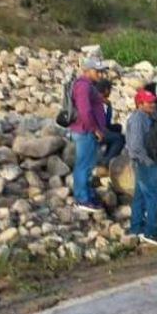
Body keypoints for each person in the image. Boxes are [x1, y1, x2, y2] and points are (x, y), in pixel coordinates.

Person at [67, 56, 110, 214]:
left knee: (87, 164)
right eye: (97, 71)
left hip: (86, 130)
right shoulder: (83, 87)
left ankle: (87, 194)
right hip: (85, 131)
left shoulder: (88, 86)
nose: (100, 74)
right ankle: (82, 199)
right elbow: (85, 111)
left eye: (101, 71)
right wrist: (95, 129)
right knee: (83, 165)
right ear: (87, 70)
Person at [124, 87, 157, 246]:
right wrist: (149, 161)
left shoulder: (147, 116)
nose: (152, 104)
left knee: (140, 195)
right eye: (149, 102)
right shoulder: (138, 119)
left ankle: (136, 228)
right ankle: (151, 231)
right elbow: (135, 146)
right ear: (139, 104)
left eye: (153, 102)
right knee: (154, 195)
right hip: (145, 162)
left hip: (144, 162)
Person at [93, 79, 126, 164]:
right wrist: (109, 107)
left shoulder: (97, 99)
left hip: (97, 127)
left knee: (118, 127)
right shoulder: (99, 102)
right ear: (106, 90)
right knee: (120, 138)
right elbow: (105, 121)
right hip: (94, 130)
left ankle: (108, 151)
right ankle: (106, 162)